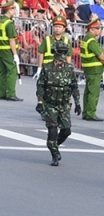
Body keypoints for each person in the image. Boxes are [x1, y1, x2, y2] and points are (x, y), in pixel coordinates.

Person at [36, 39, 80, 167]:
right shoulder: (47, 68)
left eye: (64, 52)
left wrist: (77, 103)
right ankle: (55, 154)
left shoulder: (69, 69)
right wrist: (40, 102)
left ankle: (54, 145)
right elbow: (40, 85)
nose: (62, 54)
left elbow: (74, 86)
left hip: (64, 104)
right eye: (60, 52)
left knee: (66, 130)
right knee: (53, 131)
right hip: (50, 104)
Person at [0, 0, 21, 101]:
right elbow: (11, 40)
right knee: (11, 71)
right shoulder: (9, 23)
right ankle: (10, 94)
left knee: (2, 72)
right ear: (9, 10)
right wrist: (15, 54)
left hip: (0, 50)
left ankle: (2, 93)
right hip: (8, 51)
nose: (15, 11)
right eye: (14, 9)